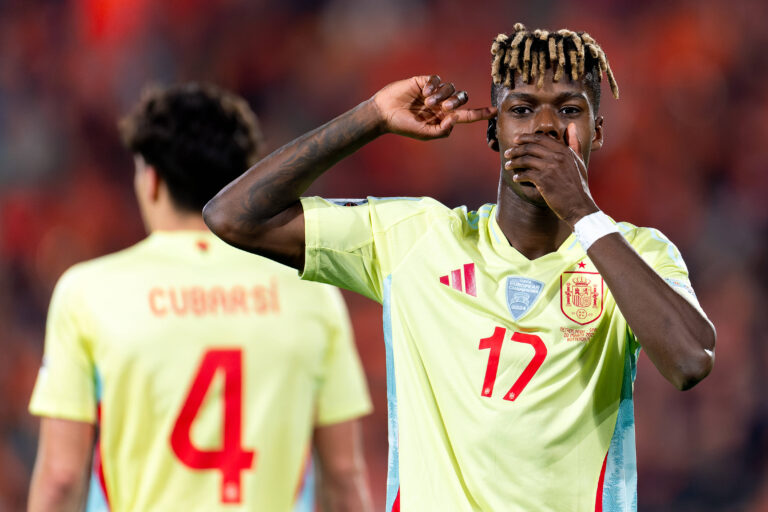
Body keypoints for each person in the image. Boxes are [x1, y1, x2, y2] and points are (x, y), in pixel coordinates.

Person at [203, 24, 716, 511]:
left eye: (568, 110)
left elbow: (691, 359)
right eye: (521, 109)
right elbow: (235, 217)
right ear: (493, 129)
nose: (545, 127)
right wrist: (373, 116)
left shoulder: (635, 253)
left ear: (597, 132)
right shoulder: (417, 240)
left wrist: (582, 212)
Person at [27, 83, 373, 512]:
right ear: (243, 182)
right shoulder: (313, 294)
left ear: (151, 181)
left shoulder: (87, 292)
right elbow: (343, 476)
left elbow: (61, 477)